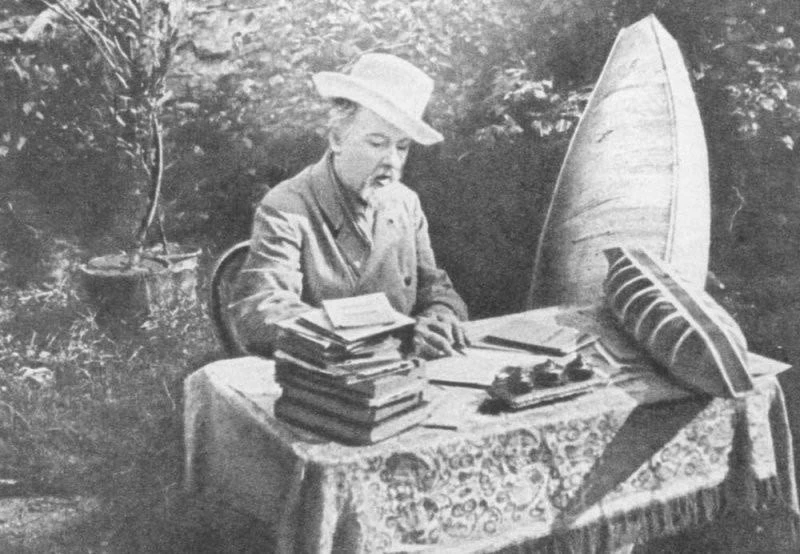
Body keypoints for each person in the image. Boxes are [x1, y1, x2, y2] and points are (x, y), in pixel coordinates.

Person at [230, 53, 469, 359]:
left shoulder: (405, 203)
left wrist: (440, 317)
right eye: (377, 143)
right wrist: (394, 336)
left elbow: (436, 289)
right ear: (337, 138)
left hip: (400, 373)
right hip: (324, 374)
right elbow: (263, 309)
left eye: (402, 147)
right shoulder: (287, 207)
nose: (392, 161)